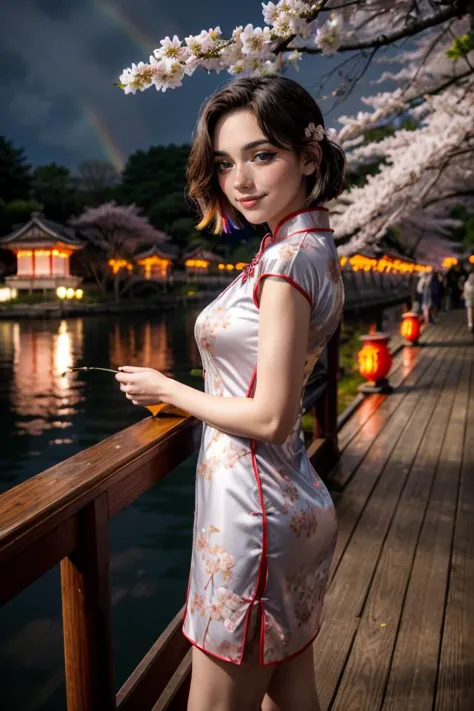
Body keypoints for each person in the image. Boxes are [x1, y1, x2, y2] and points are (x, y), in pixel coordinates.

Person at [116, 76, 345, 711]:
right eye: (224, 163)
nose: (239, 180)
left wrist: (170, 388)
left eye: (261, 155)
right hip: (286, 500)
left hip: (254, 520)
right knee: (292, 696)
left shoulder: (284, 263)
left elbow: (270, 416)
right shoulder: (309, 245)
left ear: (308, 156)